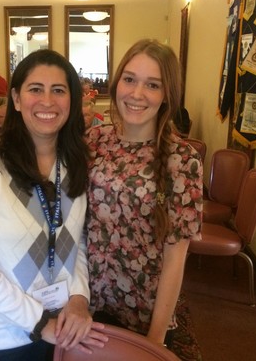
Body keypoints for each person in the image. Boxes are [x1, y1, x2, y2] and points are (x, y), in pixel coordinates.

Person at [0, 49, 107, 360]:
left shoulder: (74, 162)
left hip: (59, 324)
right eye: (35, 89)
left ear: (72, 101)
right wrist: (38, 322)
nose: (47, 101)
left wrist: (78, 297)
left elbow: (72, 240)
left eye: (59, 90)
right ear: (17, 99)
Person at [85, 39, 203, 350]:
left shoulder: (183, 160)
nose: (137, 94)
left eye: (152, 85)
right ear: (116, 83)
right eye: (129, 79)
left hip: (144, 315)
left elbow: (175, 259)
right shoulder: (94, 140)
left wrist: (155, 340)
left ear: (166, 95)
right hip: (87, 305)